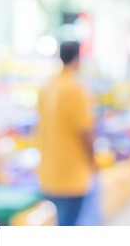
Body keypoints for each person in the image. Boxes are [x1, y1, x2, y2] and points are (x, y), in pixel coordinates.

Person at [37, 41, 95, 226]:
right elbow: (85, 132)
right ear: (78, 59)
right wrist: (93, 163)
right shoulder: (75, 90)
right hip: (72, 177)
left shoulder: (47, 87)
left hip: (48, 173)